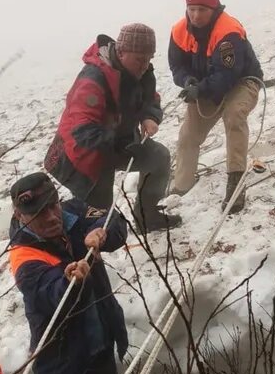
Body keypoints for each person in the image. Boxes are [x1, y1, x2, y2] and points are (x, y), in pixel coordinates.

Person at [9, 172, 128, 374]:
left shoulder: (73, 210)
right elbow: (53, 295)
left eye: (53, 205)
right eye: (40, 214)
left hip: (101, 349)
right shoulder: (23, 257)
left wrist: (101, 232)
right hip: (65, 371)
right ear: (20, 216)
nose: (51, 216)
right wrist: (70, 279)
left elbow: (113, 220)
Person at [45, 22, 180, 232]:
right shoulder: (92, 80)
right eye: (139, 59)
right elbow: (83, 131)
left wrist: (150, 116)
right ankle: (82, 256)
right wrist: (121, 146)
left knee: (159, 158)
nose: (144, 65)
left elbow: (150, 98)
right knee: (98, 215)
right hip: (82, 156)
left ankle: (147, 217)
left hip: (119, 144)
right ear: (121, 52)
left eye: (148, 59)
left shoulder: (140, 73)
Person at [169, 0, 264, 213]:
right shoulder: (178, 31)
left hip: (241, 82)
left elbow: (227, 74)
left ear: (213, 9)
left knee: (234, 116)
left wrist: (199, 89)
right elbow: (177, 66)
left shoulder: (228, 32)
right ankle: (182, 185)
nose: (196, 15)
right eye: (192, 9)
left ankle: (235, 182)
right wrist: (187, 81)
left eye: (202, 10)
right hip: (205, 86)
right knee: (188, 135)